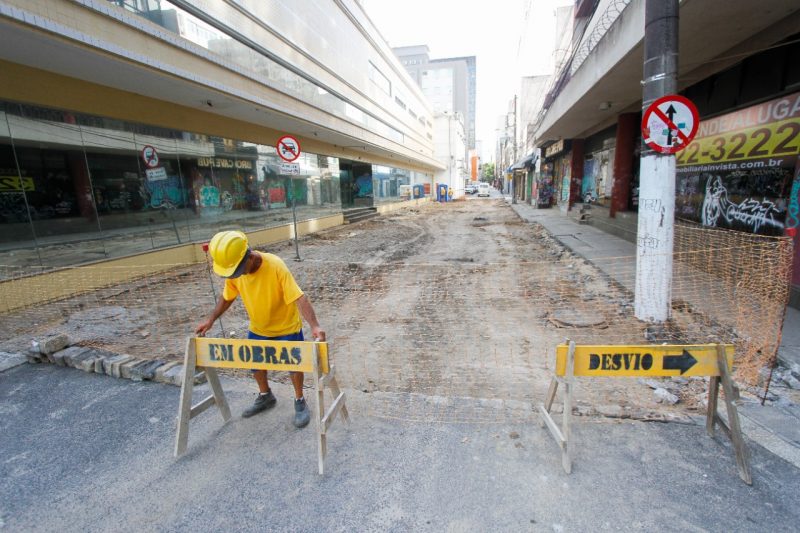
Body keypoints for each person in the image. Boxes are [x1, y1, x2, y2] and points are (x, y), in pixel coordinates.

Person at [195, 230, 325, 428]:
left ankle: (299, 400)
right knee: (255, 364)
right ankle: (266, 396)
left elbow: (299, 297)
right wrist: (211, 319)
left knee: (294, 366)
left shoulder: (275, 265)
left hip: (286, 328)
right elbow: (227, 296)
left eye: (237, 271)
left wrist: (314, 325)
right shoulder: (235, 270)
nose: (236, 276)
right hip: (258, 327)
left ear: (249, 257)